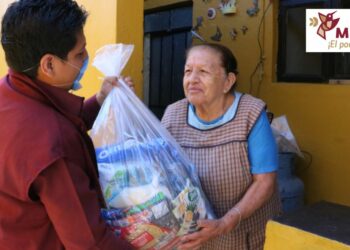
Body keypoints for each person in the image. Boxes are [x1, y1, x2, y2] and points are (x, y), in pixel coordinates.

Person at [0, 0, 134, 249]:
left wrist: (100, 100)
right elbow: (89, 242)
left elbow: (52, 119)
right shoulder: (52, 146)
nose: (86, 58)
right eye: (79, 53)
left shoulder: (9, 92)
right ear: (48, 64)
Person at [161, 43, 281, 250]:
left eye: (203, 72)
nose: (192, 79)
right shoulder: (173, 115)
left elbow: (265, 182)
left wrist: (226, 222)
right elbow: (158, 171)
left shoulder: (250, 114)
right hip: (192, 237)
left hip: (243, 235)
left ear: (228, 81)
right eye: (188, 71)